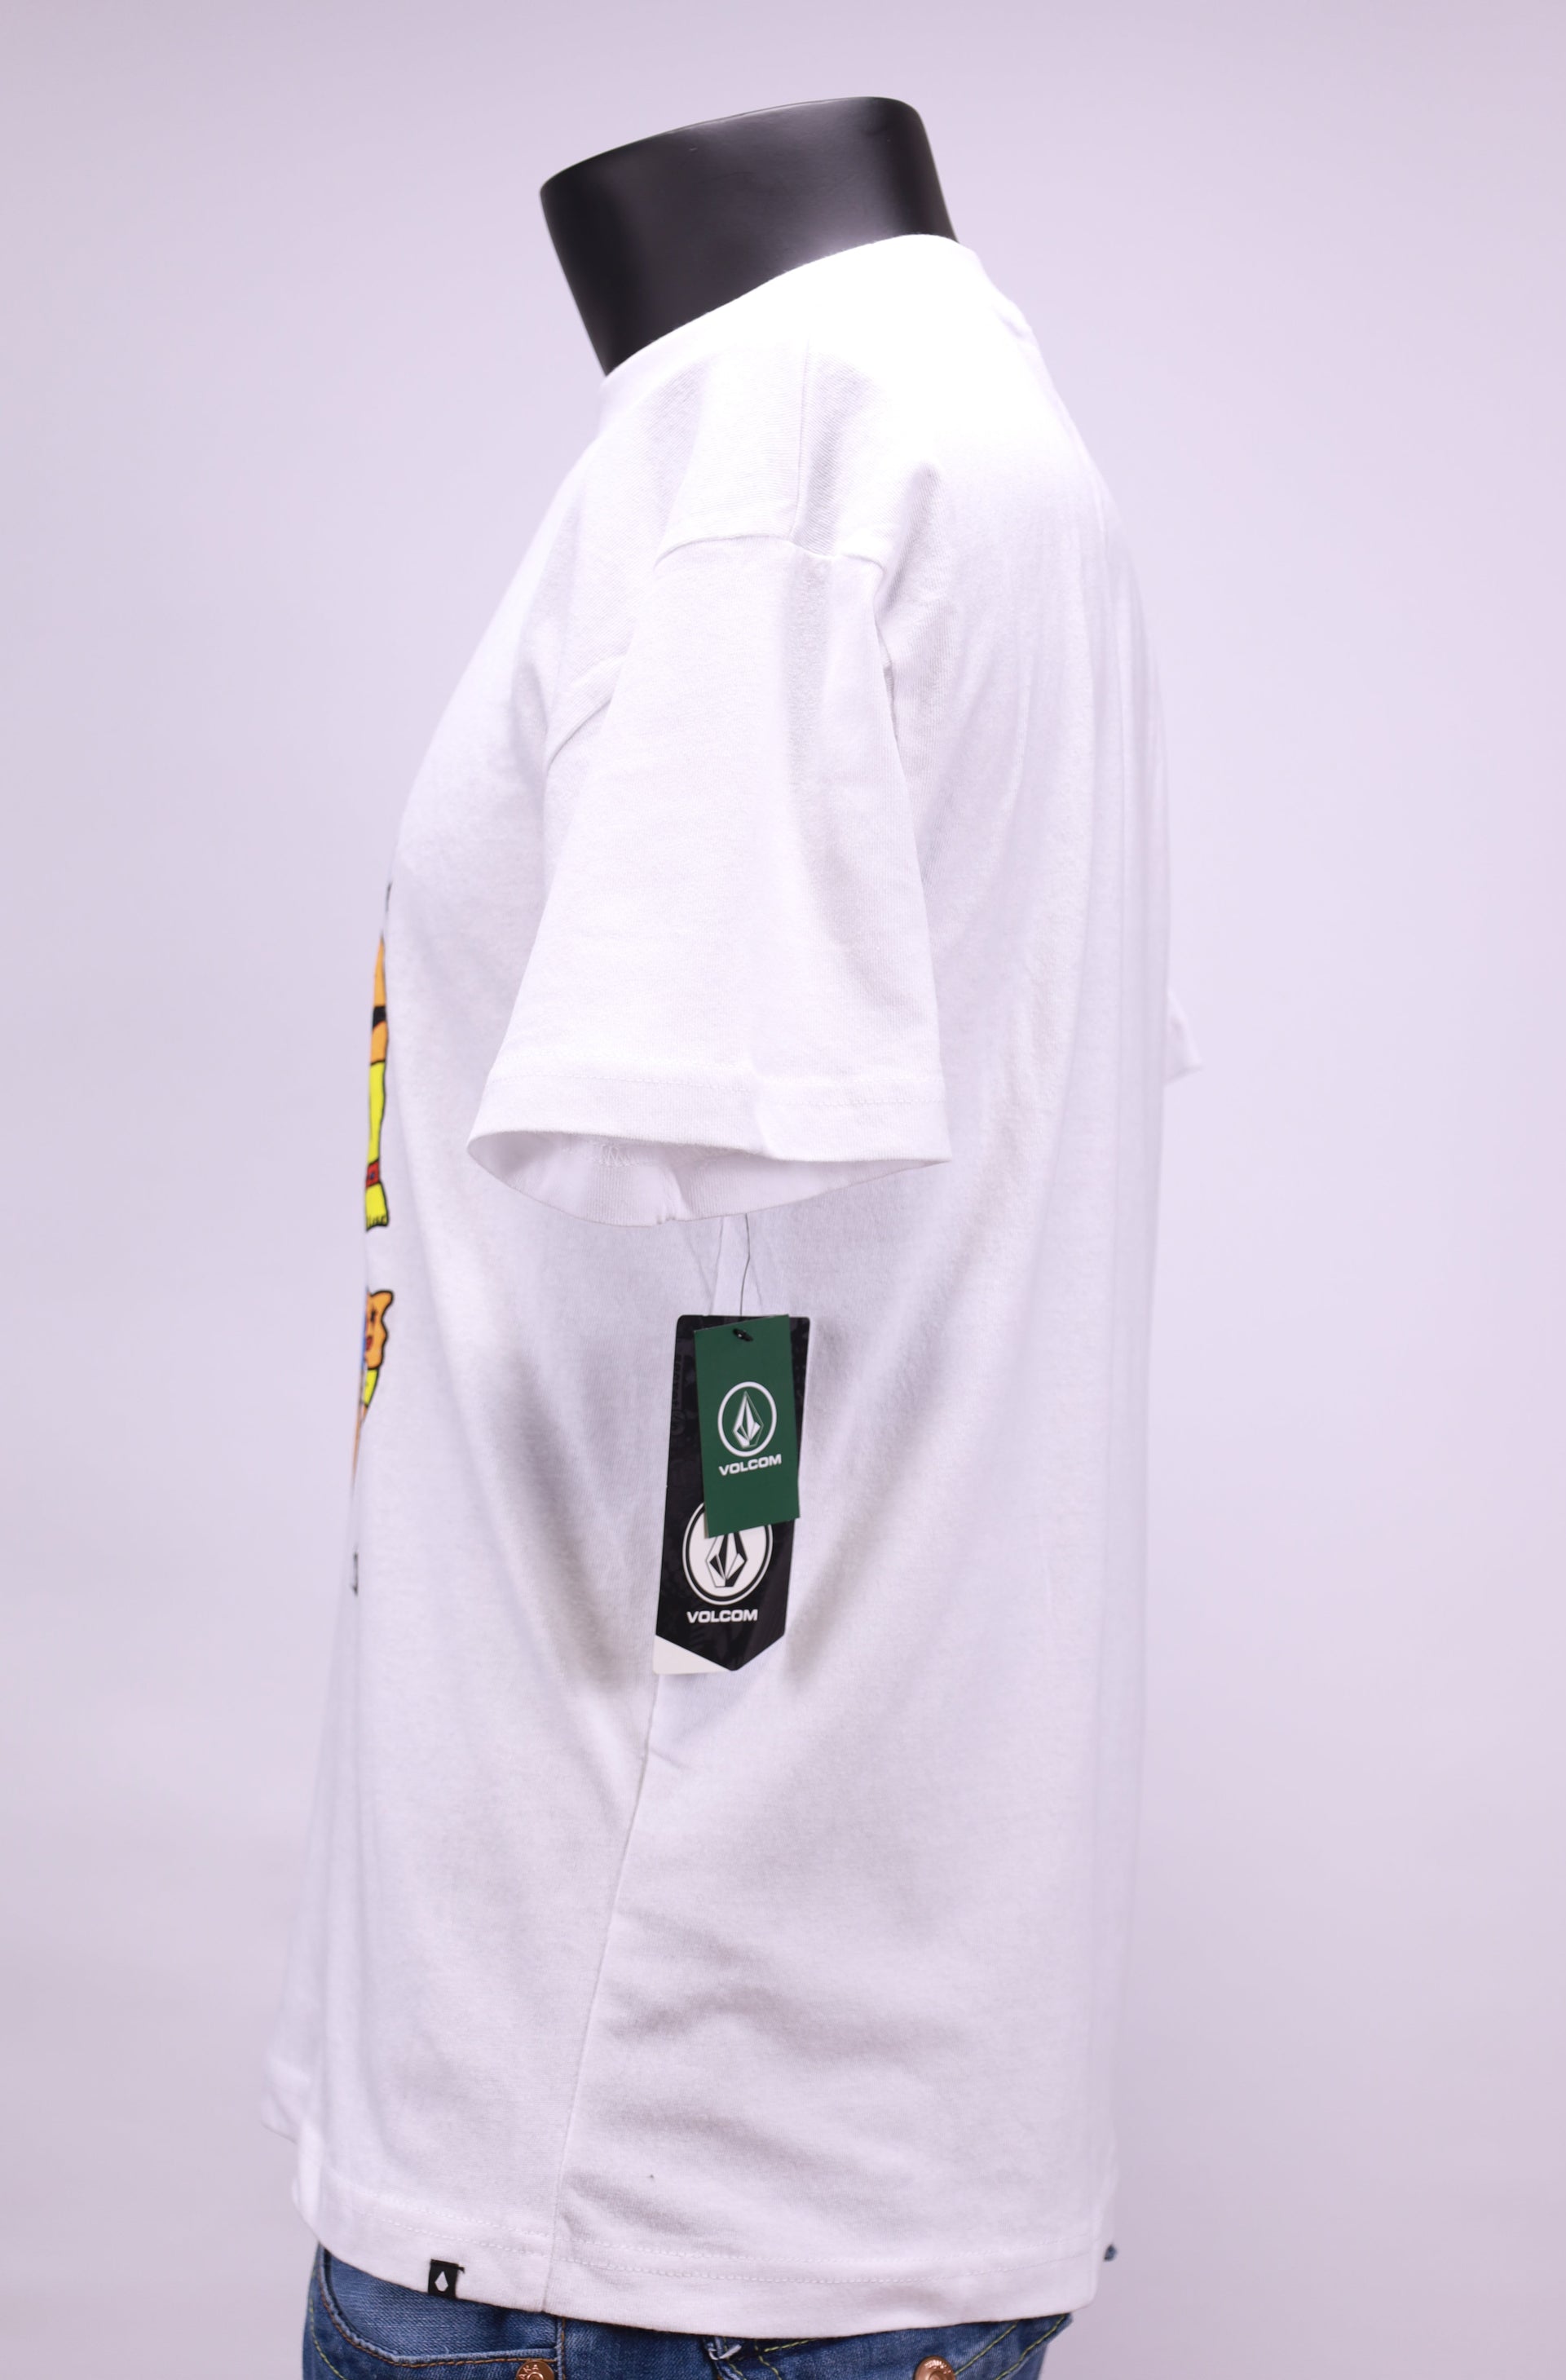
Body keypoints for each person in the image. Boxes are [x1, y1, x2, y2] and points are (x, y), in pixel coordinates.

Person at [271, 97, 1190, 2380]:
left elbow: (725, 1282)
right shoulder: (994, 441)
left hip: (626, 2186)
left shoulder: (777, 447)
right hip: (812, 2148)